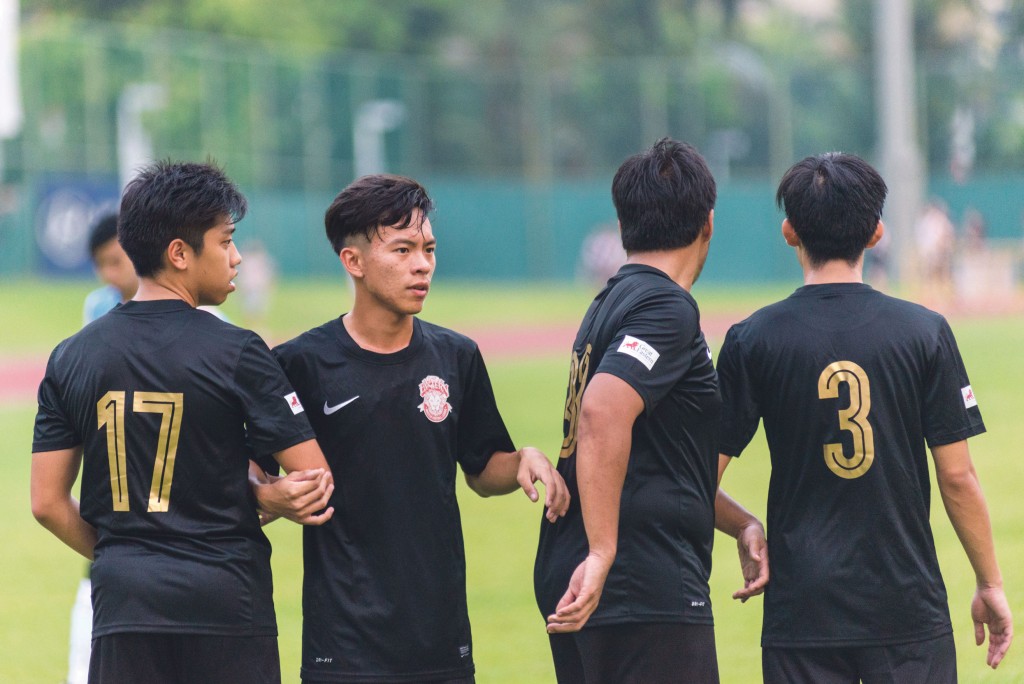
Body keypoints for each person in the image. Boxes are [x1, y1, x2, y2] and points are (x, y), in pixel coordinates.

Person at [31, 160, 335, 684]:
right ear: (179, 253)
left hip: (123, 605)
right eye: (225, 241)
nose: (237, 257)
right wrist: (262, 497)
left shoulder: (71, 357)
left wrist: (122, 558)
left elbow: (46, 503)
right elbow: (313, 481)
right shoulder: (239, 351)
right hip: (227, 603)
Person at [716, 152, 1013, 683]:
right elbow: (958, 477)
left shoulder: (752, 339)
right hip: (906, 608)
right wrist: (989, 582)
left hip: (800, 611)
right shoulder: (925, 332)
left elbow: (697, 476)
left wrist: (744, 526)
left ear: (789, 232)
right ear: (877, 233)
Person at [263, 173, 570, 683]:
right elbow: (252, 475)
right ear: (353, 262)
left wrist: (522, 461)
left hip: (440, 641)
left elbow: (481, 468)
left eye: (427, 248)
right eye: (402, 249)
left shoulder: (456, 356)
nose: (422, 264)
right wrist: (268, 497)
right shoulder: (300, 363)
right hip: (342, 647)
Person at [534, 138, 768, 684]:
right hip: (640, 582)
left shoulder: (611, 301)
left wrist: (741, 524)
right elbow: (601, 412)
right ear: (708, 223)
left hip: (590, 575)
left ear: (623, 227)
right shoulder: (666, 307)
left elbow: (659, 464)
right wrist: (603, 551)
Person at [83, 211, 137, 325]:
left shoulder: (167, 301)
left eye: (115, 262)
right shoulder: (98, 305)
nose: (108, 274)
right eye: (100, 264)